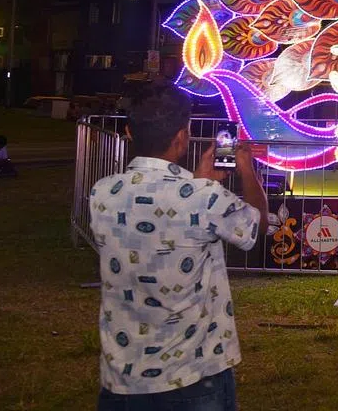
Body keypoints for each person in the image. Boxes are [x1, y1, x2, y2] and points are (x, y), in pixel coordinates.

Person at [90, 85, 268, 409]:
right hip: (193, 375)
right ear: (182, 137)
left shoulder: (101, 194)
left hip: (123, 378)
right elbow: (258, 226)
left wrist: (201, 182)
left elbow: (161, 226)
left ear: (129, 132)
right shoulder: (203, 199)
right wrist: (244, 167)